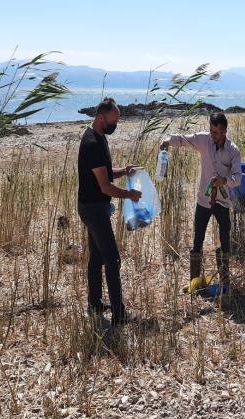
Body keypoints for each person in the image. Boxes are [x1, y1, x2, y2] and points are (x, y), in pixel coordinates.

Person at [160, 112, 242, 293]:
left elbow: (238, 178)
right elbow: (183, 139)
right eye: (211, 131)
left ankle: (225, 282)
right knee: (198, 240)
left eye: (216, 133)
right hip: (203, 200)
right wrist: (167, 140)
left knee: (225, 241)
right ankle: (195, 283)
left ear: (225, 131)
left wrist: (224, 180)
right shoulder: (203, 140)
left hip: (223, 202)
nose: (213, 135)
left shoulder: (233, 150)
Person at [77, 97, 141, 325]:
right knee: (112, 259)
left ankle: (94, 303)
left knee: (96, 257)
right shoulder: (91, 144)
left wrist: (123, 171)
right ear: (101, 117)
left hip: (94, 206)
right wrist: (129, 195)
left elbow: (103, 173)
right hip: (93, 209)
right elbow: (104, 186)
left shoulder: (99, 137)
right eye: (112, 122)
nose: (114, 126)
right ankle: (119, 314)